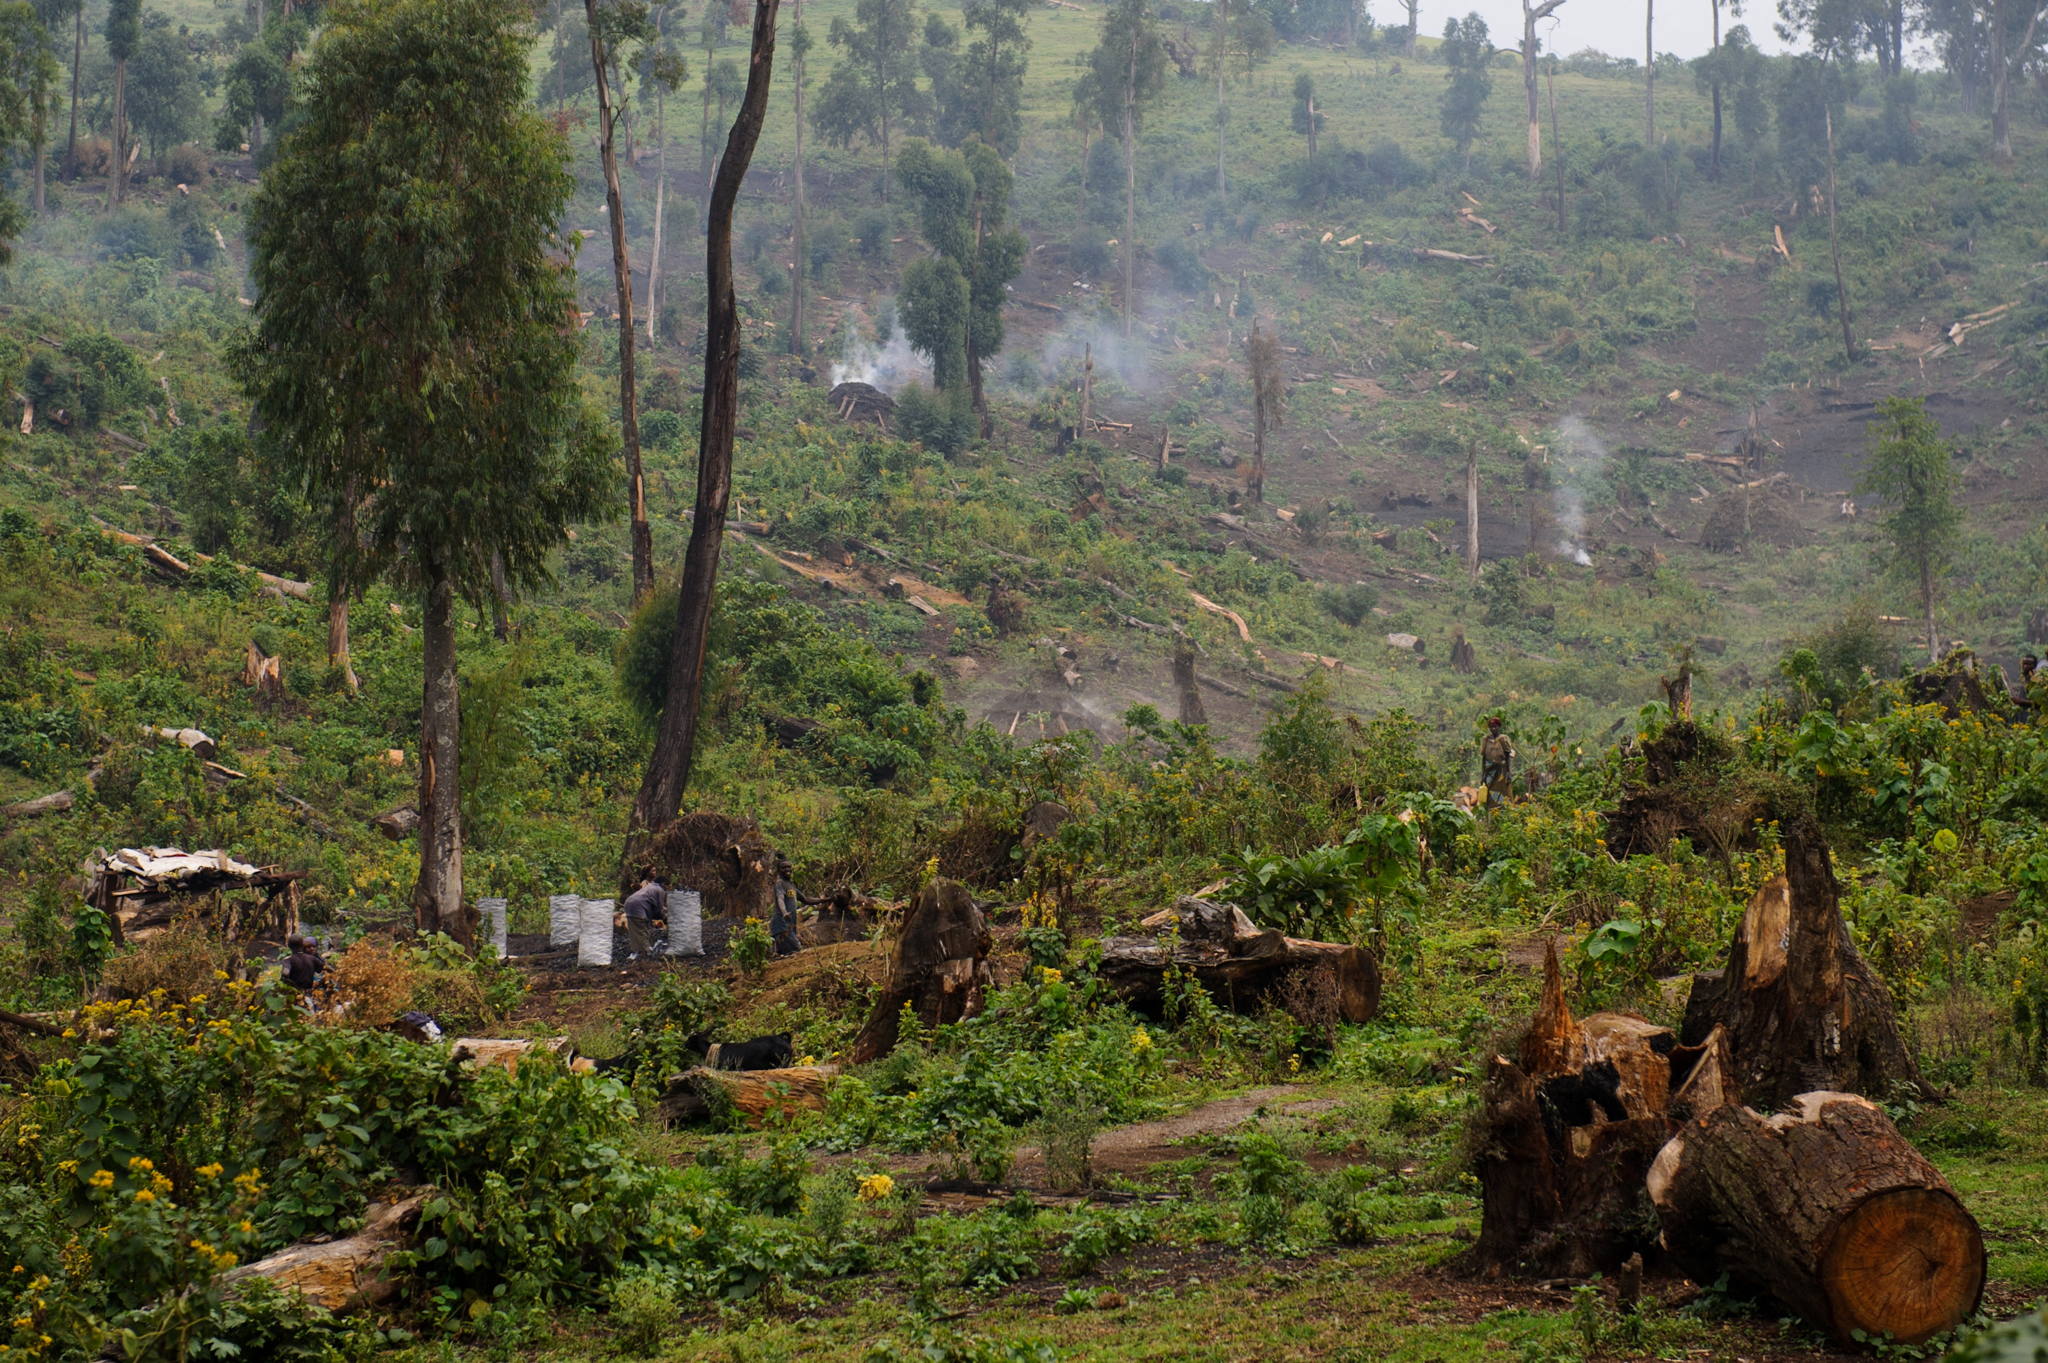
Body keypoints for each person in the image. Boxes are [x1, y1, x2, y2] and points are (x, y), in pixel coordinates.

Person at [619, 870, 666, 960]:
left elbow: (651, 903)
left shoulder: (650, 886)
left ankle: (637, 951)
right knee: (641, 930)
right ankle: (648, 951)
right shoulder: (660, 890)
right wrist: (665, 917)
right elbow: (660, 908)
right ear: (663, 884)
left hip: (629, 903)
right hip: (637, 908)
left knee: (634, 931)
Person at [770, 855, 803, 957]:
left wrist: (826, 899)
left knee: (787, 952)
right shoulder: (779, 884)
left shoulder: (791, 885)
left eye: (789, 867)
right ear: (779, 870)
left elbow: (806, 899)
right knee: (796, 948)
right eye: (784, 867)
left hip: (789, 924)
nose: (787, 869)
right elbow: (780, 899)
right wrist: (784, 912)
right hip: (781, 924)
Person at [1480, 716, 1516, 809]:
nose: (1493, 729)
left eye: (1495, 726)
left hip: (1502, 771)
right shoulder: (1486, 739)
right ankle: (1492, 815)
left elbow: (1508, 756)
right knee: (1491, 794)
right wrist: (1483, 775)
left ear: (1499, 727)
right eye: (1491, 727)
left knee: (1504, 793)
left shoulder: (1503, 739)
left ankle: (1505, 812)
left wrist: (1509, 772)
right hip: (1489, 772)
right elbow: (1484, 758)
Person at [283, 934, 325, 999]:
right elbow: (323, 968)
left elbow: (285, 973)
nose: (312, 949)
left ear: (289, 946)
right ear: (303, 946)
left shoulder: (288, 960)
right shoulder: (312, 959)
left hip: (295, 993)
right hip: (309, 993)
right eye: (309, 947)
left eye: (313, 946)